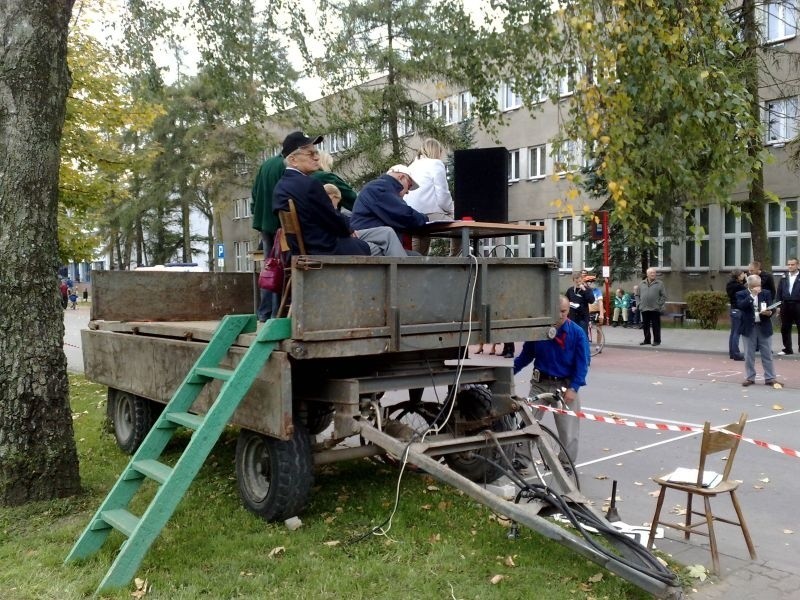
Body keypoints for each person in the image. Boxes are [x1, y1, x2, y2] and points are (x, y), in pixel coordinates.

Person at [513, 296, 590, 466]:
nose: (560, 315)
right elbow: (525, 356)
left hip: (564, 386)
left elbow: (583, 363)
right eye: (557, 311)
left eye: (563, 311)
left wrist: (574, 387)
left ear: (568, 311)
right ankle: (522, 459)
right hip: (540, 384)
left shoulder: (577, 333)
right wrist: (510, 372)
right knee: (528, 422)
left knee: (567, 429)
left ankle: (566, 464)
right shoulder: (539, 331)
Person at [273, 131, 371, 256]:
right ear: (293, 160)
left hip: (302, 250)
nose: (317, 157)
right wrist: (349, 227)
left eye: (316, 152)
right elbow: (332, 219)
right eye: (311, 154)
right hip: (324, 249)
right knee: (370, 246)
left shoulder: (280, 187)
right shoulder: (309, 184)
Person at [405, 138, 459, 256]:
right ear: (436, 151)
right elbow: (443, 195)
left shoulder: (410, 167)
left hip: (412, 215)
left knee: (418, 243)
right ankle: (454, 261)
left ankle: (413, 266)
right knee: (460, 226)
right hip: (430, 213)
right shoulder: (436, 164)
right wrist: (452, 210)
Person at [251, 149, 286, 322]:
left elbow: (255, 193)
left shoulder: (266, 165)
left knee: (269, 268)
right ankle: (276, 314)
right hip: (280, 224)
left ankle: (264, 313)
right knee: (281, 268)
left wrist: (257, 215)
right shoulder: (285, 166)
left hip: (265, 223)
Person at [351, 165, 429, 236]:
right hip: (370, 242)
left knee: (413, 252)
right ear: (401, 178)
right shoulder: (380, 188)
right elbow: (403, 214)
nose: (408, 192)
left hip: (372, 238)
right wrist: (424, 218)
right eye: (409, 185)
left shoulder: (381, 187)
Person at [737, 274, 778, 387]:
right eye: (755, 286)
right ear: (749, 285)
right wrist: (752, 296)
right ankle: (750, 378)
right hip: (749, 327)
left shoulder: (766, 293)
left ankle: (770, 378)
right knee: (749, 355)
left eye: (759, 285)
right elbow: (741, 306)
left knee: (767, 354)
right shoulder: (741, 294)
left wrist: (770, 312)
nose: (758, 288)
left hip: (763, 326)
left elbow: (771, 308)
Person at [637, 268, 667, 346]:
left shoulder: (660, 283)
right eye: (651, 273)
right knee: (645, 325)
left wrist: (659, 304)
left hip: (655, 308)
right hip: (644, 308)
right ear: (647, 274)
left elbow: (664, 296)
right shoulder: (641, 283)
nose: (653, 274)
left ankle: (657, 341)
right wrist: (639, 304)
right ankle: (647, 340)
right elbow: (637, 295)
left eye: (654, 273)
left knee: (656, 326)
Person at [776, 257, 800, 355]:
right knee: (785, 327)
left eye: (792, 264)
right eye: (788, 264)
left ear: (798, 265)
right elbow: (779, 292)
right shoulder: (784, 277)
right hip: (785, 305)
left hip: (798, 304)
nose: (790, 266)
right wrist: (778, 305)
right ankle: (787, 349)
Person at [726, 269, 747, 361]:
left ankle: (732, 352)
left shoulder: (730, 284)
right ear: (738, 276)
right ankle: (736, 354)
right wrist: (746, 280)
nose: (744, 275)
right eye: (743, 274)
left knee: (733, 332)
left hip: (733, 309)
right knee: (737, 333)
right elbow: (746, 290)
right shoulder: (738, 286)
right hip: (738, 310)